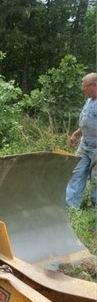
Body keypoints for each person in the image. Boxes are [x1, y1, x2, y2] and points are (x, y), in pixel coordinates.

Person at [65, 72, 97, 208]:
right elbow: (87, 121)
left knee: (96, 177)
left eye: (85, 86)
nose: (83, 89)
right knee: (76, 172)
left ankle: (95, 207)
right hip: (85, 143)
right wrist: (76, 133)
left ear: (94, 85)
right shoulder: (89, 101)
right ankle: (71, 206)